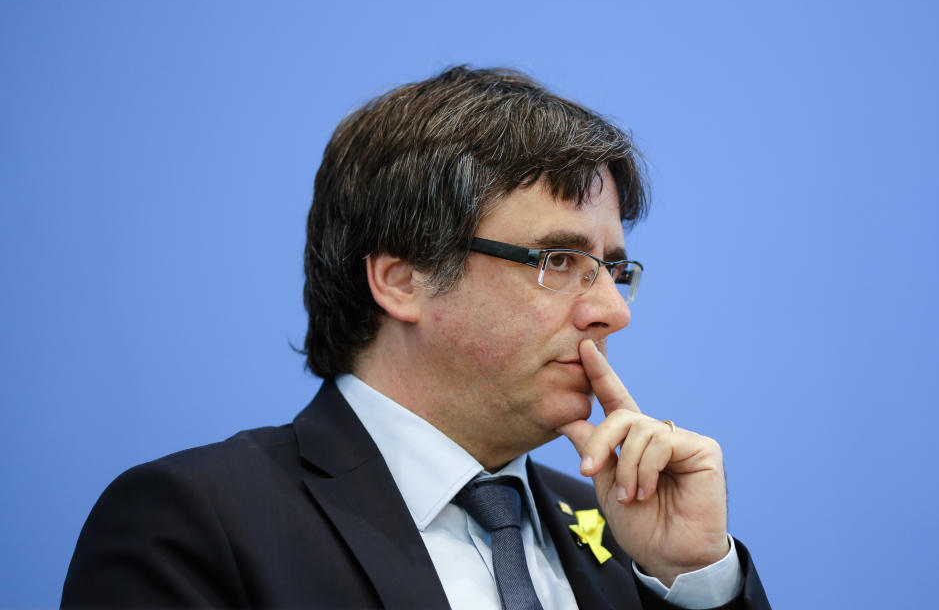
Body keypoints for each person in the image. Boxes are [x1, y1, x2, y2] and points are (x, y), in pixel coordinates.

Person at [62, 67, 769, 609]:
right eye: (559, 262)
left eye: (613, 268)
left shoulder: (624, 532)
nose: (613, 312)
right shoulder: (197, 524)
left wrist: (695, 580)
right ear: (402, 280)